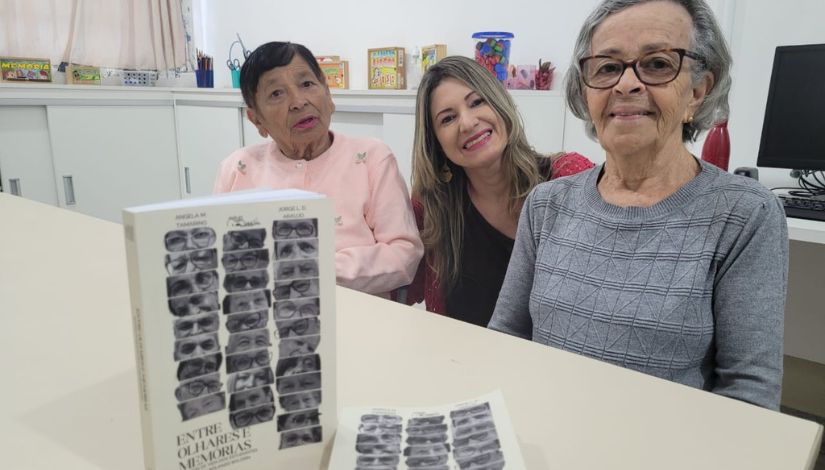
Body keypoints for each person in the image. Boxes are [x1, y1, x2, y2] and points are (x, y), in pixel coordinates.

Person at [489, 0, 787, 410]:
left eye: (658, 64)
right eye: (607, 67)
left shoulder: (745, 215)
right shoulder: (547, 204)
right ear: (586, 91)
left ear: (698, 92)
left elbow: (748, 393)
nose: (626, 84)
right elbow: (506, 336)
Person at [214, 41, 423, 297]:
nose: (298, 102)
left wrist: (312, 271)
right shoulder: (238, 169)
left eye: (307, 84)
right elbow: (221, 260)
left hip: (362, 316)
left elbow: (403, 254)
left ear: (328, 93)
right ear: (256, 119)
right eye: (276, 94)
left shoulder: (371, 158)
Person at [405, 56, 594, 325]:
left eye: (477, 102)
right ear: (435, 141)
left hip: (556, 364)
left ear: (500, 103)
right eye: (447, 119)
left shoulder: (567, 177)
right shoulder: (431, 207)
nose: (468, 123)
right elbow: (397, 284)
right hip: (464, 362)